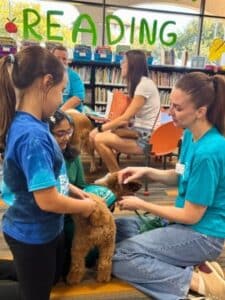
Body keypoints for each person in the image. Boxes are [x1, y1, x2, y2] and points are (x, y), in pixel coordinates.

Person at [112, 72, 225, 300]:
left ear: (200, 112)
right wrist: (146, 171)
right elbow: (179, 176)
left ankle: (197, 284)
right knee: (119, 229)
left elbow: (191, 216)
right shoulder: (191, 136)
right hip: (182, 224)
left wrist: (143, 204)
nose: (170, 112)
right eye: (170, 105)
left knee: (121, 257)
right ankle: (187, 265)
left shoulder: (209, 152)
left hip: (203, 235)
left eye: (178, 108)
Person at [0, 46, 95, 300]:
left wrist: (76, 192)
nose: (62, 98)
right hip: (31, 233)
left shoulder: (38, 124)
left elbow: (55, 179)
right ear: (46, 83)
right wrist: (84, 208)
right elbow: (48, 200)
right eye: (62, 91)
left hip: (47, 228)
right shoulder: (33, 136)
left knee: (50, 277)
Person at [47, 109, 116, 276]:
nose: (66, 137)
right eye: (59, 133)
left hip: (75, 203)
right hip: (59, 212)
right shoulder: (45, 156)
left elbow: (80, 186)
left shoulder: (73, 156)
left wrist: (93, 197)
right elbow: (51, 198)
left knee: (108, 198)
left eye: (69, 132)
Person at [89, 49, 160, 173]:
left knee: (98, 138)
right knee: (102, 136)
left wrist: (99, 128)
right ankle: (117, 175)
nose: (120, 64)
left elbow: (125, 117)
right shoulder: (142, 83)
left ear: (132, 65)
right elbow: (132, 118)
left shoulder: (143, 85)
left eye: (124, 61)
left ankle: (117, 178)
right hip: (141, 132)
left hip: (147, 139)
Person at [52, 45, 85, 112]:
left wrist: (59, 113)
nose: (61, 61)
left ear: (68, 61)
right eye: (57, 58)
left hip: (69, 113)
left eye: (64, 59)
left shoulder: (73, 76)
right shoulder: (47, 75)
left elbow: (78, 97)